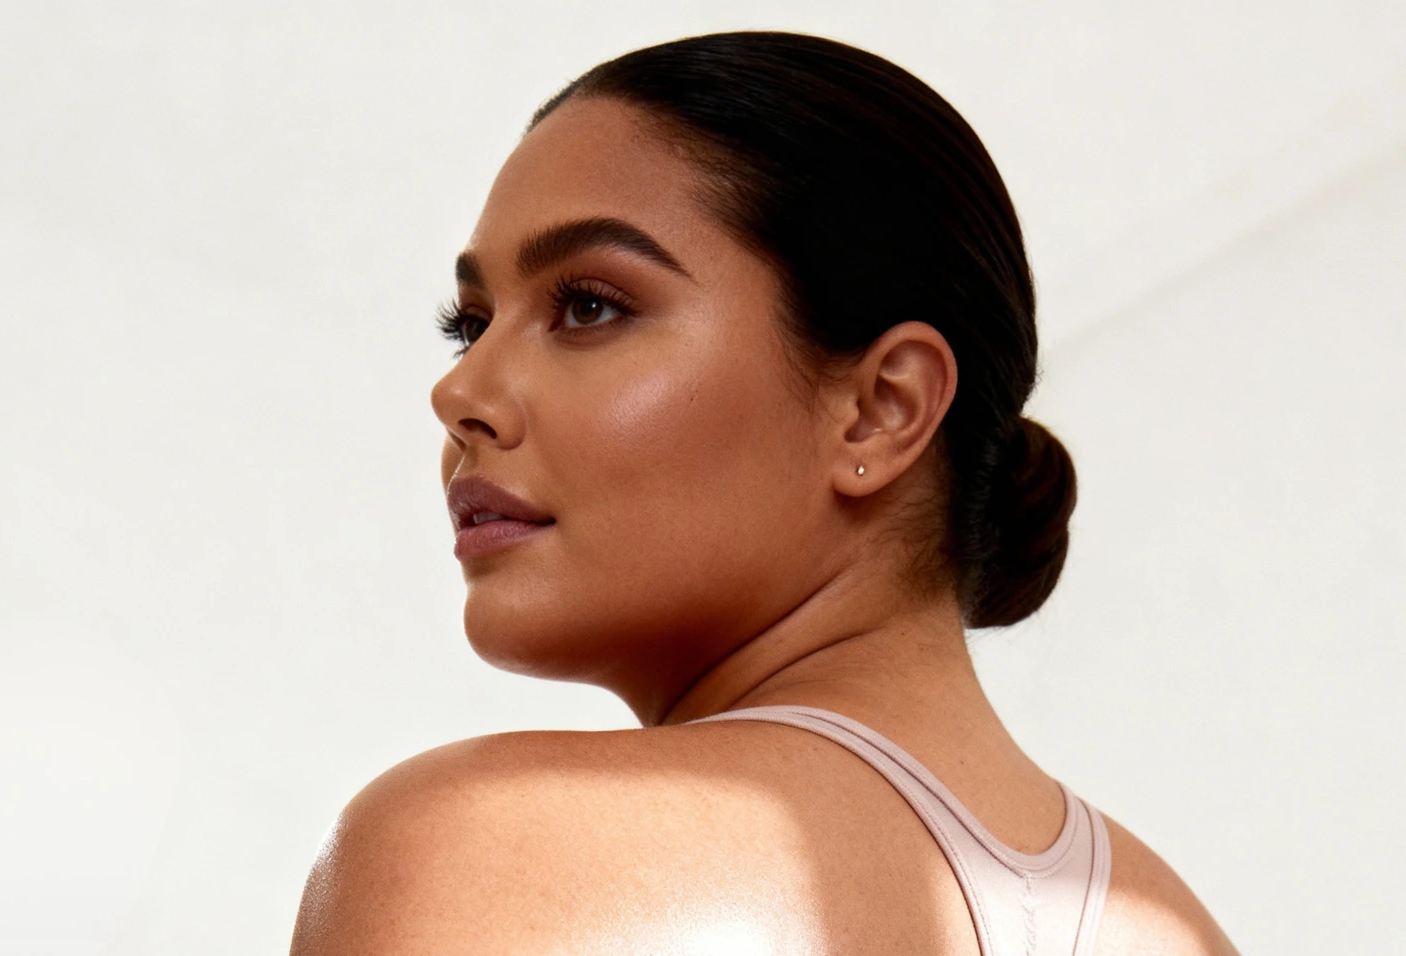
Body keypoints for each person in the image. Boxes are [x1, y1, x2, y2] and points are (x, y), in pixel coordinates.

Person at [291, 31, 1238, 955]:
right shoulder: (1174, 929)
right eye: (470, 326)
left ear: (880, 408)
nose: (459, 393)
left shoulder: (491, 851)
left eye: (588, 306)